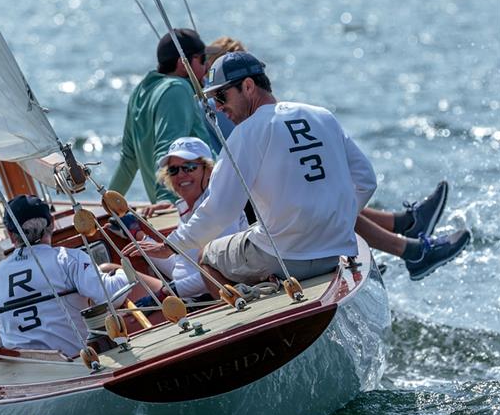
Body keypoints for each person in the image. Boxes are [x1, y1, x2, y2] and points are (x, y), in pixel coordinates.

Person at [200, 39, 470, 281]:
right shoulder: (226, 113)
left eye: (221, 95)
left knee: (321, 191)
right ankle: (406, 237)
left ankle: (405, 230)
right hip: (244, 197)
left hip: (266, 206)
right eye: (217, 95)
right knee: (321, 197)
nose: (219, 105)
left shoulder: (246, 117)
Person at [124, 52, 377, 291]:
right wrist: (336, 223)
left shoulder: (246, 133)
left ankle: (242, 315)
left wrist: (172, 246)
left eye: (221, 96)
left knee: (206, 256)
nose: (218, 107)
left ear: (247, 86)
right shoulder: (323, 116)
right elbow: (366, 182)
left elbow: (219, 210)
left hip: (282, 257)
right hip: (332, 253)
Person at [0, 195, 160, 357]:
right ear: (50, 226)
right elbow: (111, 296)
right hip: (78, 363)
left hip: (30, 375)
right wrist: (121, 270)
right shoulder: (67, 259)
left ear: (11, 234)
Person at [108, 28, 212, 203]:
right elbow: (168, 150)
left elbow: (128, 160)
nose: (207, 66)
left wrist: (109, 204)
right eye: (203, 59)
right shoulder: (177, 90)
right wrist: (166, 202)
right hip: (191, 209)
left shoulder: (140, 91)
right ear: (182, 63)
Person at [140, 137, 246, 301]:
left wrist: (169, 291)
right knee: (114, 271)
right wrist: (137, 233)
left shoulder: (219, 207)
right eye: (173, 170)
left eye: (189, 167)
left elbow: (224, 270)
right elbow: (180, 265)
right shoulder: (186, 208)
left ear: (209, 170)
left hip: (210, 299)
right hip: (186, 296)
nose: (181, 175)